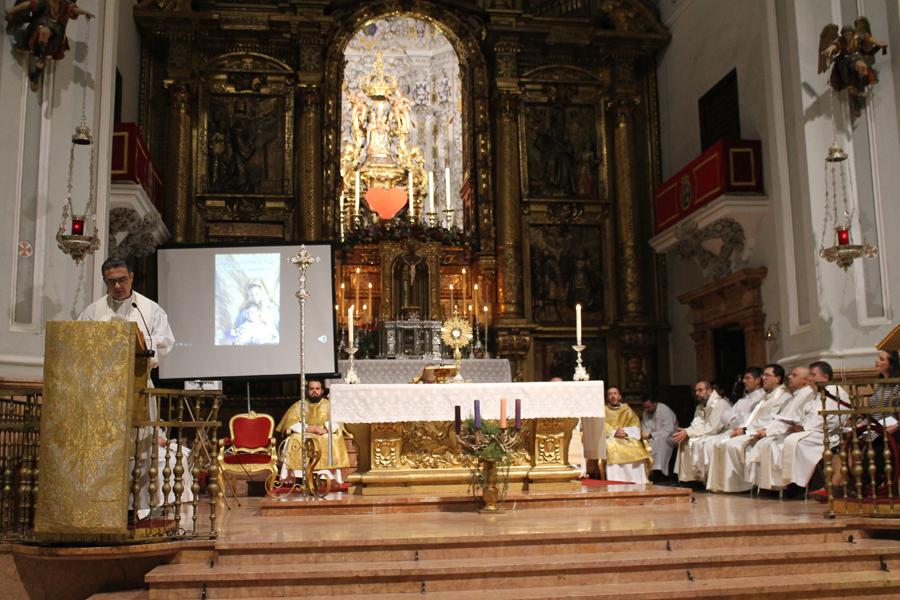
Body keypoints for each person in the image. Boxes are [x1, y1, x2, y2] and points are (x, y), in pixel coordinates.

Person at [77, 256, 176, 519]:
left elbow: (165, 342)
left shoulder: (149, 309)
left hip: (139, 385)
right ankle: (106, 504)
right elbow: (80, 343)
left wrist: (145, 347)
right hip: (103, 391)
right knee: (106, 448)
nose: (118, 286)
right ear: (105, 282)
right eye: (112, 282)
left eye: (122, 279)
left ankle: (142, 506)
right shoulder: (93, 312)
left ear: (131, 277)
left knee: (143, 448)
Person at [706, 364, 792, 493]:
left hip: (764, 432)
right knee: (720, 443)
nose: (763, 378)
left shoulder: (783, 397)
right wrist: (742, 427)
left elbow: (770, 420)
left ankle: (740, 486)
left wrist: (746, 430)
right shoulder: (766, 396)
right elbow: (752, 417)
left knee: (730, 445)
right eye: (763, 375)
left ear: (778, 378)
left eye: (767, 375)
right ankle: (722, 485)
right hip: (751, 429)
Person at [746, 366, 816, 491]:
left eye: (794, 375)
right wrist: (766, 432)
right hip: (789, 429)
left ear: (805, 380)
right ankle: (771, 486)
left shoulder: (807, 394)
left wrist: (767, 432)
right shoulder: (797, 395)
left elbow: (795, 419)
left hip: (799, 431)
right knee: (765, 443)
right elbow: (782, 418)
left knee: (774, 445)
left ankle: (787, 486)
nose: (789, 377)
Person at [781, 361, 848, 490]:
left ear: (825, 377)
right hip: (814, 431)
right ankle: (791, 484)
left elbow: (830, 419)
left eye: (813, 375)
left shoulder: (834, 391)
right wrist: (797, 424)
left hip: (828, 434)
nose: (810, 379)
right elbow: (806, 415)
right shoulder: (817, 393)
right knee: (788, 439)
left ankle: (800, 485)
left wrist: (803, 428)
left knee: (797, 441)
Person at [4, 0, 94, 90]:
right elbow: (28, 5)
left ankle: (36, 75)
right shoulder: (46, 2)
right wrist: (13, 9)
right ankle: (39, 54)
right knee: (44, 32)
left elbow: (73, 9)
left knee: (48, 56)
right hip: (43, 26)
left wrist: (85, 12)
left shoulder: (64, 5)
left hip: (56, 33)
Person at [275, 378, 350, 484]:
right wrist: (310, 428)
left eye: (317, 389)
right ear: (307, 390)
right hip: (305, 433)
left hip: (324, 433)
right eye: (311, 389)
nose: (314, 391)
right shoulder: (299, 406)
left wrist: (326, 429)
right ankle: (299, 477)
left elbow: (338, 422)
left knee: (331, 439)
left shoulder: (329, 405)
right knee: (294, 439)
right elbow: (290, 423)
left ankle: (328, 477)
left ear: (322, 391)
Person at [704, 368, 766, 491]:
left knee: (724, 444)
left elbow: (749, 419)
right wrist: (734, 420)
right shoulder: (743, 399)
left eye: (747, 378)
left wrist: (737, 422)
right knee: (711, 443)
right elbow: (727, 416)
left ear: (758, 380)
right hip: (734, 429)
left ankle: (736, 485)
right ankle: (718, 483)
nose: (744, 381)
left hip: (748, 430)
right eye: (744, 378)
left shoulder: (762, 398)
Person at [673, 380, 731, 483]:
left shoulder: (720, 404)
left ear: (709, 390)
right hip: (709, 433)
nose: (697, 394)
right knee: (686, 441)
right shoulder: (700, 406)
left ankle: (706, 479)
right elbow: (697, 424)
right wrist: (687, 431)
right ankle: (691, 479)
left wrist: (689, 432)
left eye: (700, 390)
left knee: (701, 443)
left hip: (722, 434)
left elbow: (713, 428)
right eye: (696, 391)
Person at [603, 386, 651, 484]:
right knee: (612, 445)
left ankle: (637, 481)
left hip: (626, 436)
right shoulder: (603, 410)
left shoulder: (627, 409)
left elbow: (635, 424)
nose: (612, 396)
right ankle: (616, 481)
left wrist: (625, 432)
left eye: (615, 393)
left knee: (636, 445)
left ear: (619, 396)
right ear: (607, 397)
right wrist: (614, 432)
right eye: (610, 394)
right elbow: (601, 424)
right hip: (611, 437)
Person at [640, 396, 677, 480]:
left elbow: (669, 430)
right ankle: (649, 472)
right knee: (645, 443)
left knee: (660, 441)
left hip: (670, 437)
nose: (647, 409)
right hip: (653, 438)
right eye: (645, 407)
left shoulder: (664, 410)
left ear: (655, 403)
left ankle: (660, 472)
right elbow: (645, 427)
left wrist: (651, 435)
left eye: (649, 407)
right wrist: (645, 434)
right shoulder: (645, 412)